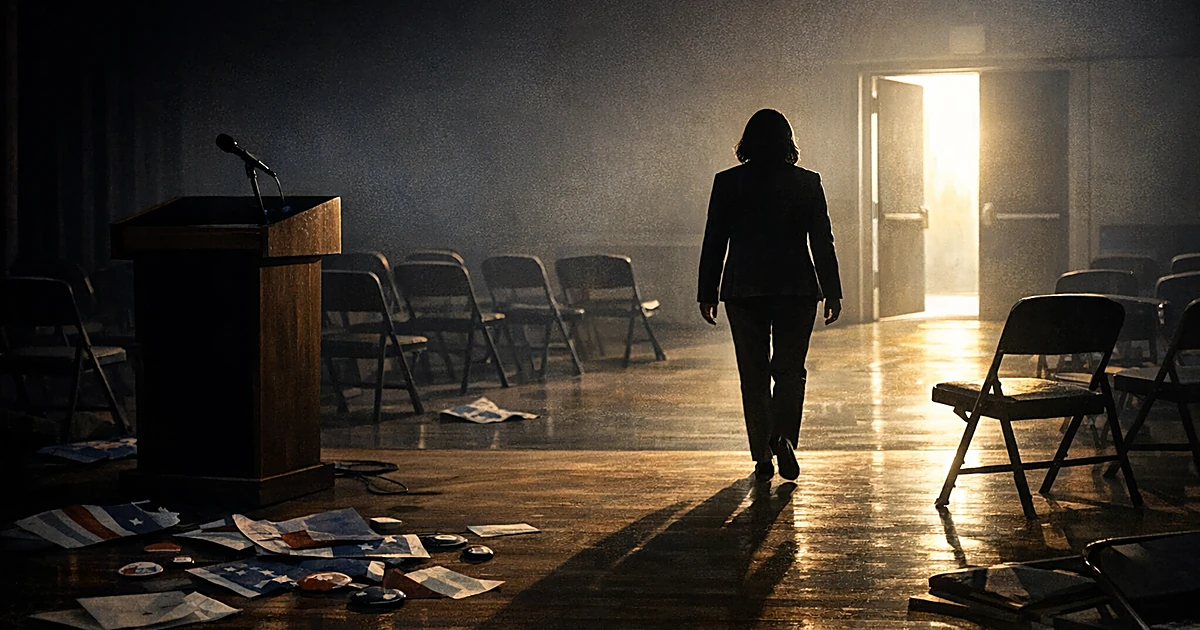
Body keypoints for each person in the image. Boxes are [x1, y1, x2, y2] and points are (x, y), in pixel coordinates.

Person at [697, 108, 842, 482]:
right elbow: (821, 241)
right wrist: (832, 291)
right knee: (790, 371)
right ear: (787, 143)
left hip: (743, 289)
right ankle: (783, 437)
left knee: (753, 373)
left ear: (747, 143)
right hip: (796, 288)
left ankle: (762, 455)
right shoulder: (807, 183)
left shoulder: (728, 183)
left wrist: (707, 291)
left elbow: (715, 240)